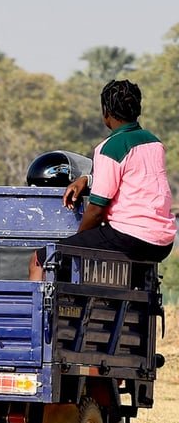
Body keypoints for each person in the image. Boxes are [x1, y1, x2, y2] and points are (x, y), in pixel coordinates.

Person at [28, 80, 176, 280]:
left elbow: (96, 211)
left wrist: (78, 242)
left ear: (106, 112)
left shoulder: (110, 148)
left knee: (42, 259)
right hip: (162, 242)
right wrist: (88, 179)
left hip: (131, 237)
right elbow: (131, 177)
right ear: (137, 109)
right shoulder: (154, 142)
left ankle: (40, 311)